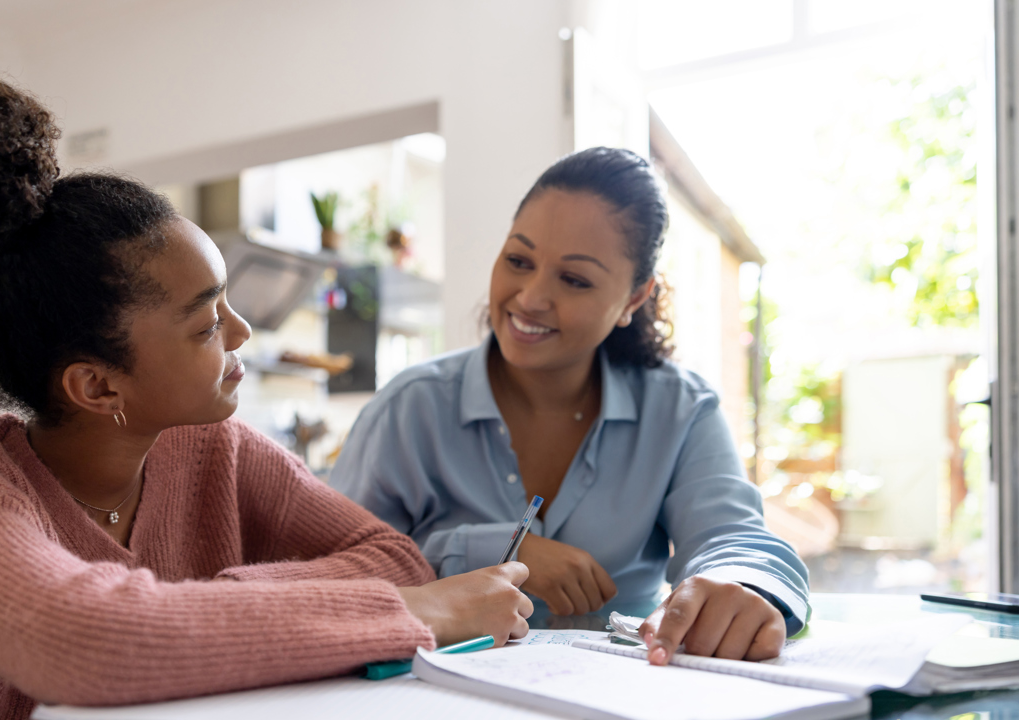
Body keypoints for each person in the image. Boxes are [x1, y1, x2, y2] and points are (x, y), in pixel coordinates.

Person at [0, 81, 532, 720]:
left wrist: (199, 610)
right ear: (97, 385)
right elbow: (87, 645)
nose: (241, 332)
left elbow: (392, 557)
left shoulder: (211, 446)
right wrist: (414, 613)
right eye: (207, 322)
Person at [334, 147, 809, 666]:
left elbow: (736, 538)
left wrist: (733, 586)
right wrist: (493, 551)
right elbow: (333, 574)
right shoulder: (410, 409)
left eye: (575, 280)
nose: (531, 297)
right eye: (518, 261)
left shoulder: (680, 410)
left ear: (633, 298)